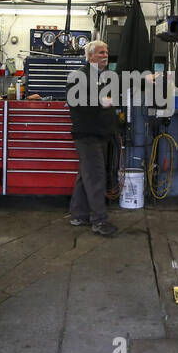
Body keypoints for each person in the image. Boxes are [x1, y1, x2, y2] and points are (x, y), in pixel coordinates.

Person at [68, 40, 120, 237]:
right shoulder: (79, 76)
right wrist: (100, 102)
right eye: (100, 52)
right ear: (90, 57)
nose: (105, 55)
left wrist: (145, 80)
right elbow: (74, 101)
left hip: (102, 134)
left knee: (86, 176)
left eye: (106, 52)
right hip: (87, 135)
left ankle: (79, 215)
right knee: (96, 177)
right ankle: (99, 221)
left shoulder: (105, 76)